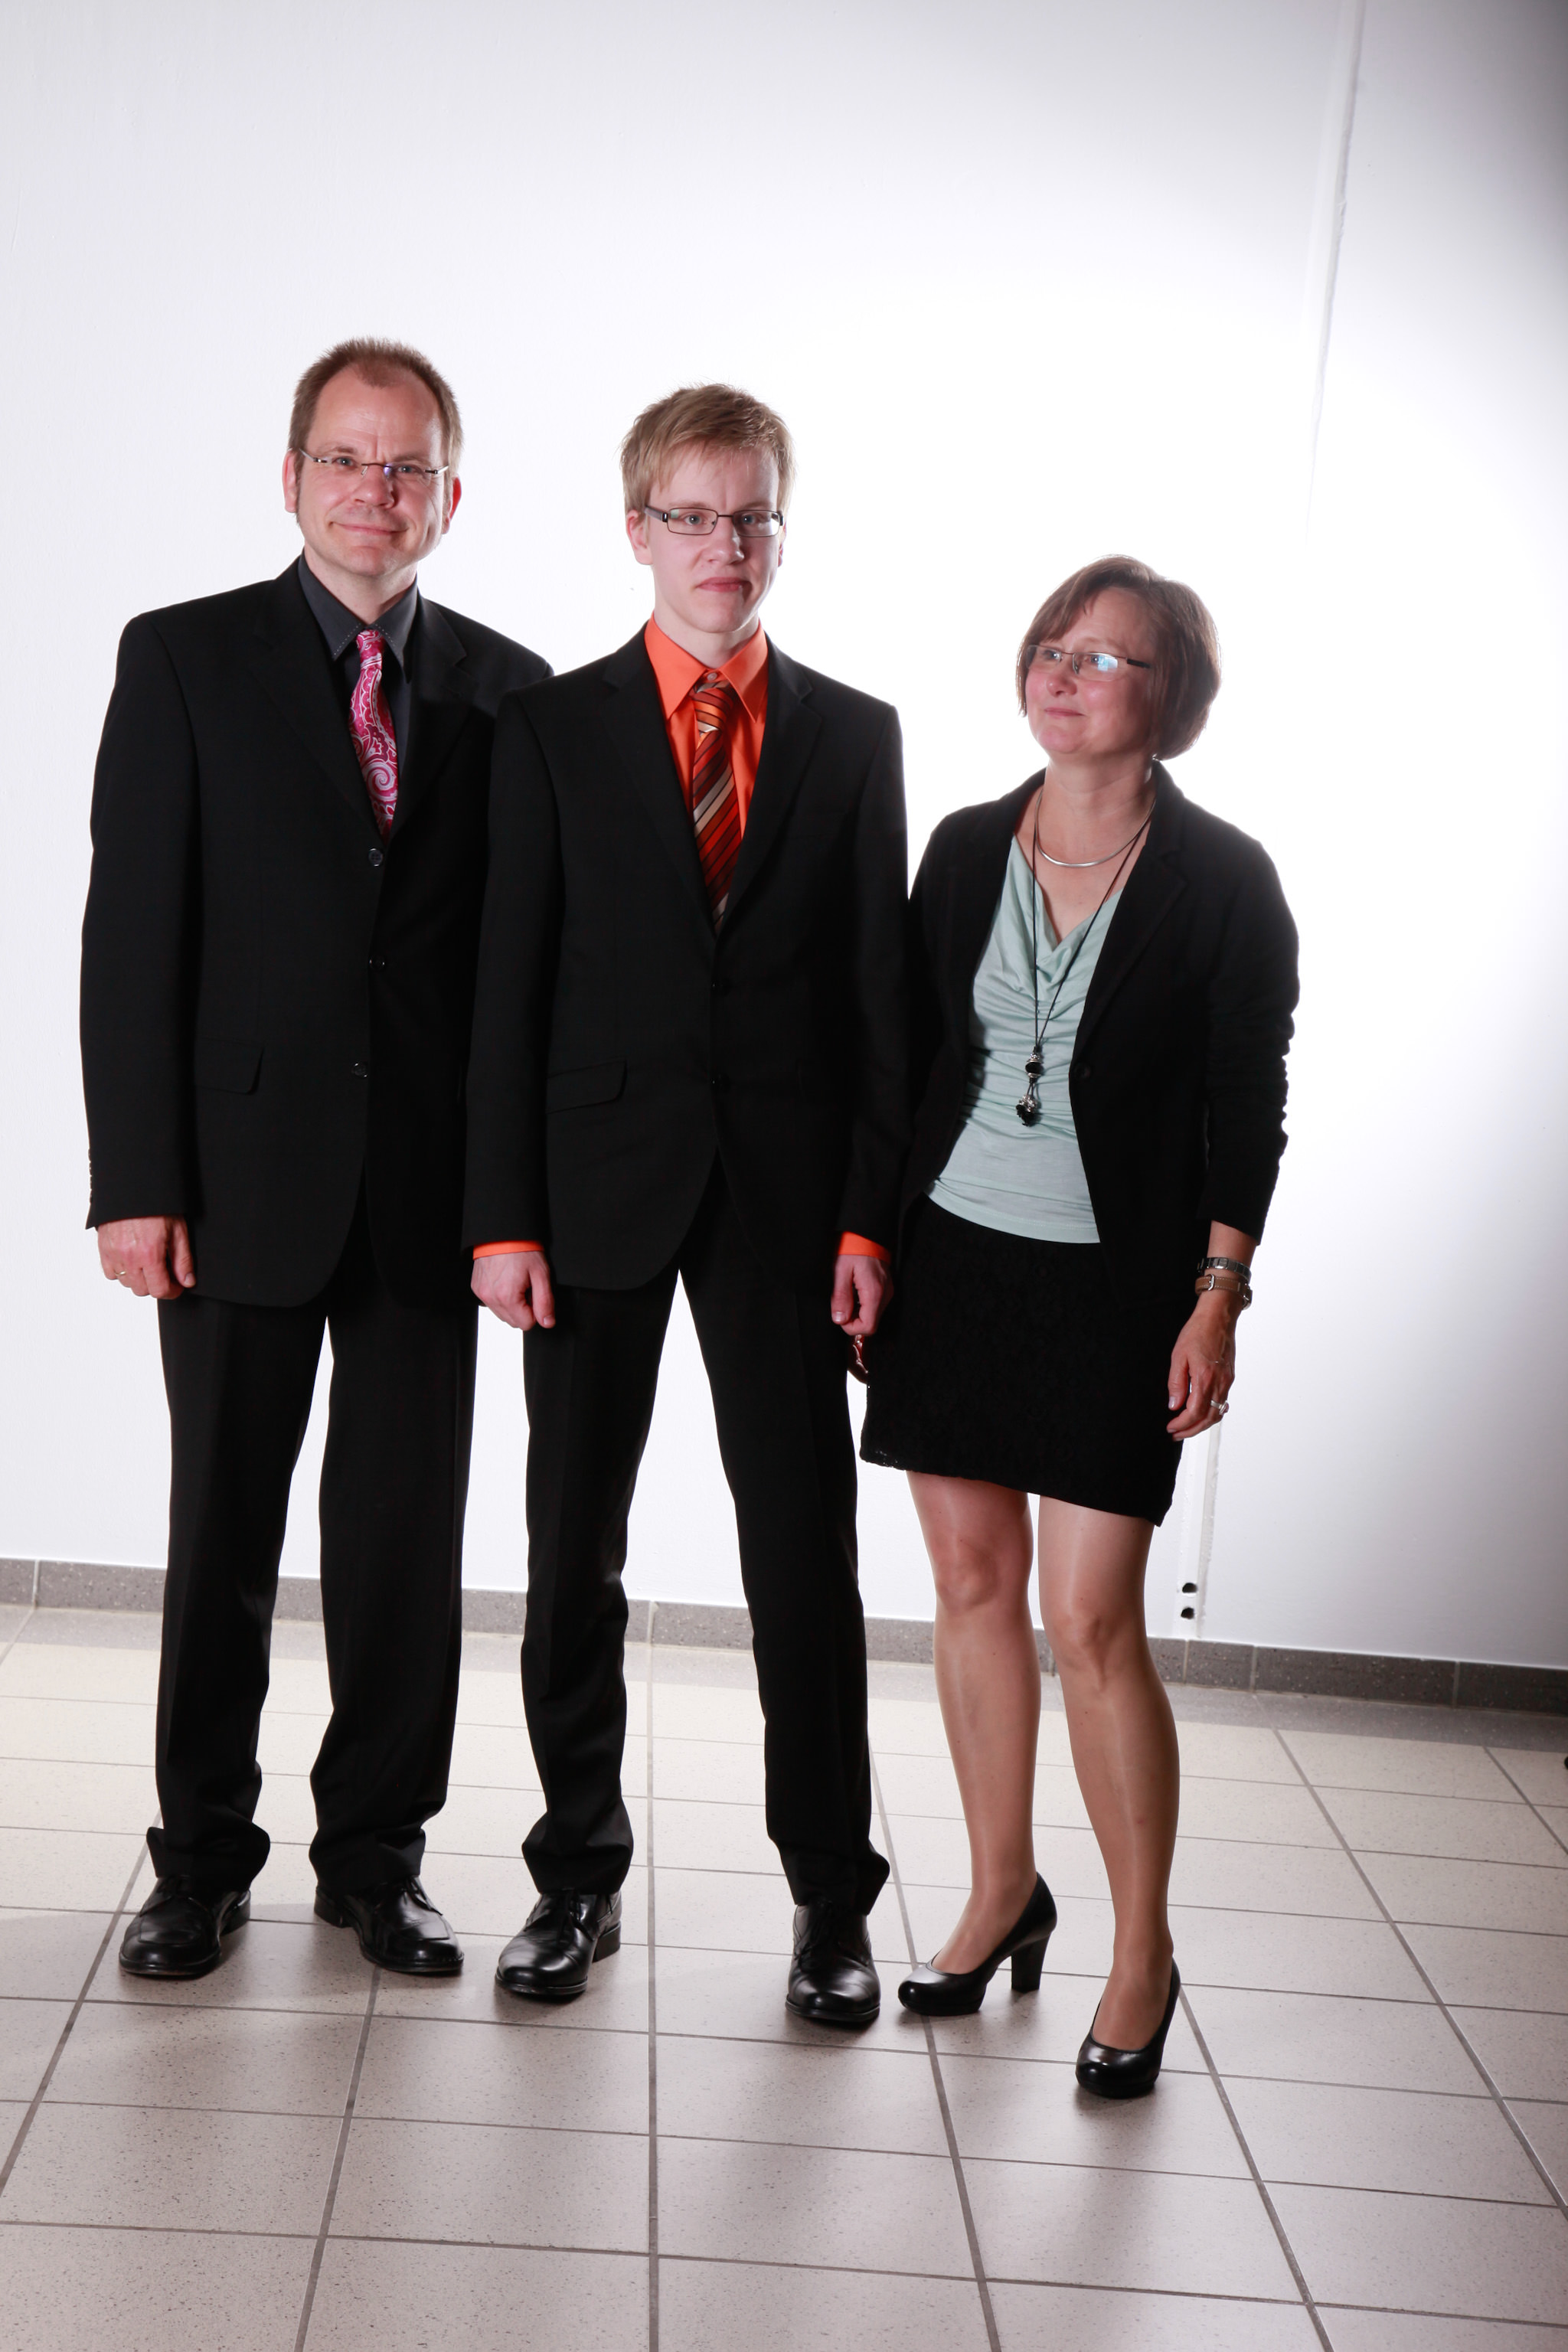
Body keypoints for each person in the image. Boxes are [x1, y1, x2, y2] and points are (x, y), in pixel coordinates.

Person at [80, 338, 550, 1981]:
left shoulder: (510, 692)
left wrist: (510, 1204)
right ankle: (200, 1859)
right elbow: (131, 934)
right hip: (233, 1180)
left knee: (404, 1547)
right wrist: (135, 1179)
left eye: (406, 466)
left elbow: (515, 975)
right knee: (222, 1533)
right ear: (291, 479)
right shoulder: (183, 659)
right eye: (347, 460)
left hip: (427, 1192)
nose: (375, 491)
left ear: (450, 497)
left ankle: (376, 1860)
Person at [464, 384, 908, 2023]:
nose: (725, 546)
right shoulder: (551, 730)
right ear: (638, 528)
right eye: (693, 516)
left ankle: (831, 1896)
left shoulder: (853, 736)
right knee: (570, 1546)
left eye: (752, 517)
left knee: (803, 1552)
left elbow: (879, 1007)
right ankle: (575, 1876)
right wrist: (499, 1217)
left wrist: (869, 1220)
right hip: (590, 1197)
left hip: (786, 1208)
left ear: (781, 531)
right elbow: (506, 989)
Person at [861, 556, 1298, 2094]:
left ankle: (1140, 1955)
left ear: (1172, 698)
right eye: (1052, 645)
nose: (1064, 671)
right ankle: (999, 1894)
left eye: (1105, 656)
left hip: (1119, 1288)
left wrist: (1217, 1295)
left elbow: (1249, 1100)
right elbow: (901, 1063)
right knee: (970, 1585)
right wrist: (866, 1235)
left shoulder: (1225, 879)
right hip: (952, 1265)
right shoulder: (964, 846)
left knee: (1094, 1621)